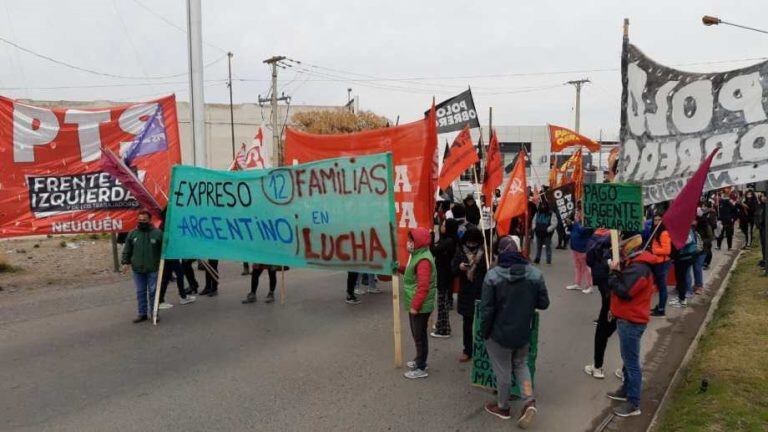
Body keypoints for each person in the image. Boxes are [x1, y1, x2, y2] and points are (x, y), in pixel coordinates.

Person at [480, 236, 549, 428]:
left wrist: (483, 332)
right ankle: (528, 400)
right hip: (522, 333)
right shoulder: (535, 274)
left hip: (499, 334)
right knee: (521, 365)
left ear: (500, 253)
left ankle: (503, 407)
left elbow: (486, 310)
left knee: (503, 372)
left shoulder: (492, 276)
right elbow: (544, 303)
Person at [606, 234, 657, 417]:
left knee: (631, 363)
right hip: (628, 318)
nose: (620, 249)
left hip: (631, 321)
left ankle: (633, 403)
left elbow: (625, 291)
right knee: (627, 359)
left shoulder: (639, 268)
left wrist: (612, 274)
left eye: (623, 246)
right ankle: (626, 389)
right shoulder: (636, 266)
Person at [402, 227, 437, 379]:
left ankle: (421, 367)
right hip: (418, 303)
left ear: (419, 242)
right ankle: (419, 360)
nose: (409, 243)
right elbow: (411, 274)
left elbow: (423, 286)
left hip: (420, 305)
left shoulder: (423, 260)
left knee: (419, 336)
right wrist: (399, 268)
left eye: (412, 240)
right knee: (418, 335)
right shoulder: (418, 255)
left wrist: (415, 306)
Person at [584, 229, 617, 379]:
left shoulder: (604, 241)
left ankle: (598, 367)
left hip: (615, 299)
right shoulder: (609, 241)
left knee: (603, 332)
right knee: (606, 331)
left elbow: (590, 259)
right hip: (617, 300)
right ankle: (624, 371)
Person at [121, 210, 163, 323]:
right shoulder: (132, 233)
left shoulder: (158, 233)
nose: (142, 222)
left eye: (144, 220)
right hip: (137, 269)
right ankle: (142, 313)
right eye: (140, 220)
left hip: (153, 268)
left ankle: (154, 313)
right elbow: (127, 249)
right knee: (140, 292)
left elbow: (164, 251)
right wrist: (125, 262)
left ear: (149, 220)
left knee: (153, 292)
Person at [452, 226, 487, 362]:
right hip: (466, 291)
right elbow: (453, 269)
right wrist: (460, 267)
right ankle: (467, 350)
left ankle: (482, 349)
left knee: (483, 322)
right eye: (469, 242)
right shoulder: (460, 251)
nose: (471, 245)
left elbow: (489, 271)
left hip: (482, 290)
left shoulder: (485, 252)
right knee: (467, 323)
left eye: (474, 243)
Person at [431, 218, 459, 338]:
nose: (441, 227)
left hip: (444, 275)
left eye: (443, 225)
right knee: (442, 302)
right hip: (445, 275)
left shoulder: (448, 242)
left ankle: (444, 330)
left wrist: (431, 238)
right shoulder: (450, 239)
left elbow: (434, 251)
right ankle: (440, 324)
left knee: (442, 303)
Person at [669, 225, 698, 308]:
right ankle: (680, 298)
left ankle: (682, 300)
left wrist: (674, 239)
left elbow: (688, 240)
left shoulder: (685, 227)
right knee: (680, 278)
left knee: (681, 278)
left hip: (685, 257)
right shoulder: (683, 227)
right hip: (681, 257)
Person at [565, 209, 594, 293]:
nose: (577, 214)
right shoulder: (578, 221)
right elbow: (571, 230)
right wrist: (569, 223)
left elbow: (582, 231)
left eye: (579, 212)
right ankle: (577, 283)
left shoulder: (588, 221)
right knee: (577, 267)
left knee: (586, 268)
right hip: (575, 247)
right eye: (577, 212)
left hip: (583, 248)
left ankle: (590, 286)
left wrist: (576, 222)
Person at [649, 214, 672, 317]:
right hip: (657, 262)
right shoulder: (655, 232)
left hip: (662, 263)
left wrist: (654, 251)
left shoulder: (664, 233)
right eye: (655, 220)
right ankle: (659, 306)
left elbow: (667, 250)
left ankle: (661, 309)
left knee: (662, 287)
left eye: (659, 220)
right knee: (660, 286)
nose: (657, 221)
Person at [532, 201, 557, 265]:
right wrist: (534, 228)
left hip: (547, 233)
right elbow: (534, 221)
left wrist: (548, 229)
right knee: (538, 246)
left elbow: (554, 223)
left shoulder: (551, 214)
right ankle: (537, 258)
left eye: (544, 205)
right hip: (538, 232)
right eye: (542, 205)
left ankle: (548, 260)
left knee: (548, 246)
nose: (543, 207)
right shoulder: (538, 213)